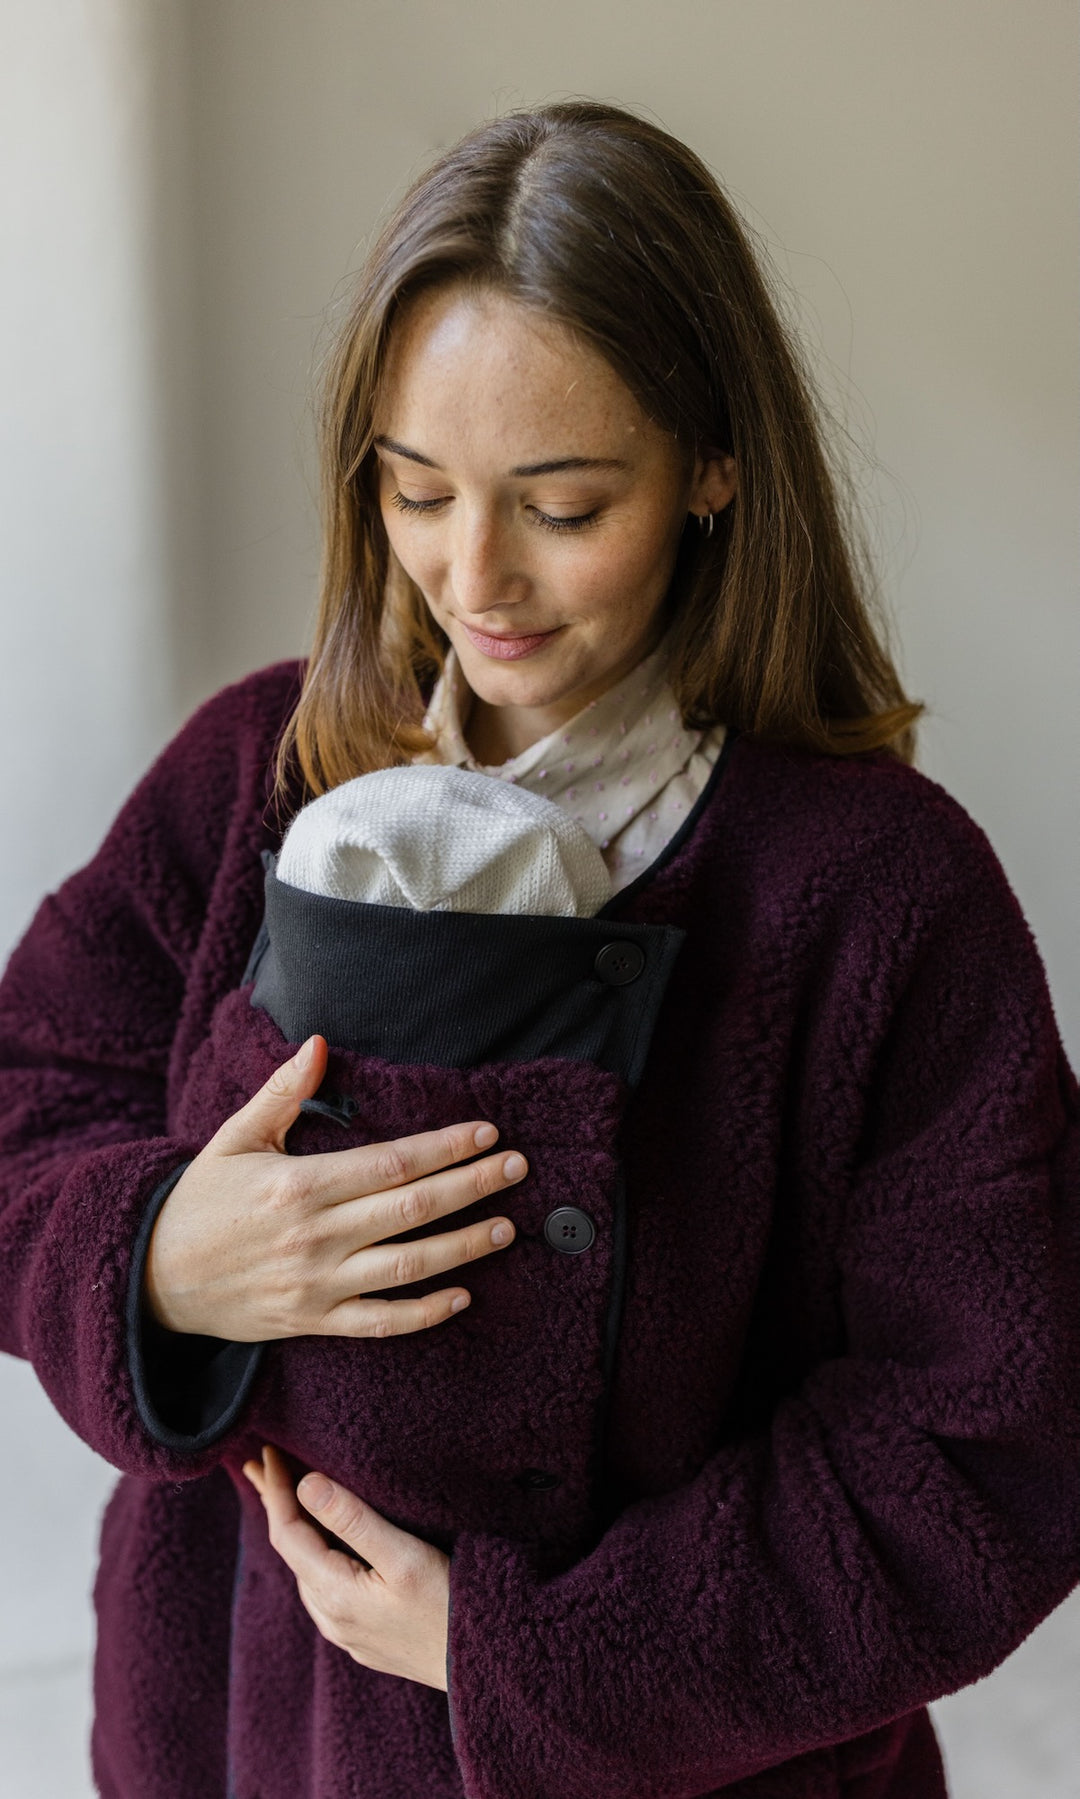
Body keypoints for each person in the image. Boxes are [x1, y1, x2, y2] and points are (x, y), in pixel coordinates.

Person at [0, 98, 1076, 1799]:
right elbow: (24, 1103)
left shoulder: (881, 892)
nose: (474, 575)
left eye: (564, 506)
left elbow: (994, 1437)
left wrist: (523, 1651)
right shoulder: (250, 776)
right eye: (418, 490)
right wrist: (158, 1260)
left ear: (714, 468)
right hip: (239, 1745)